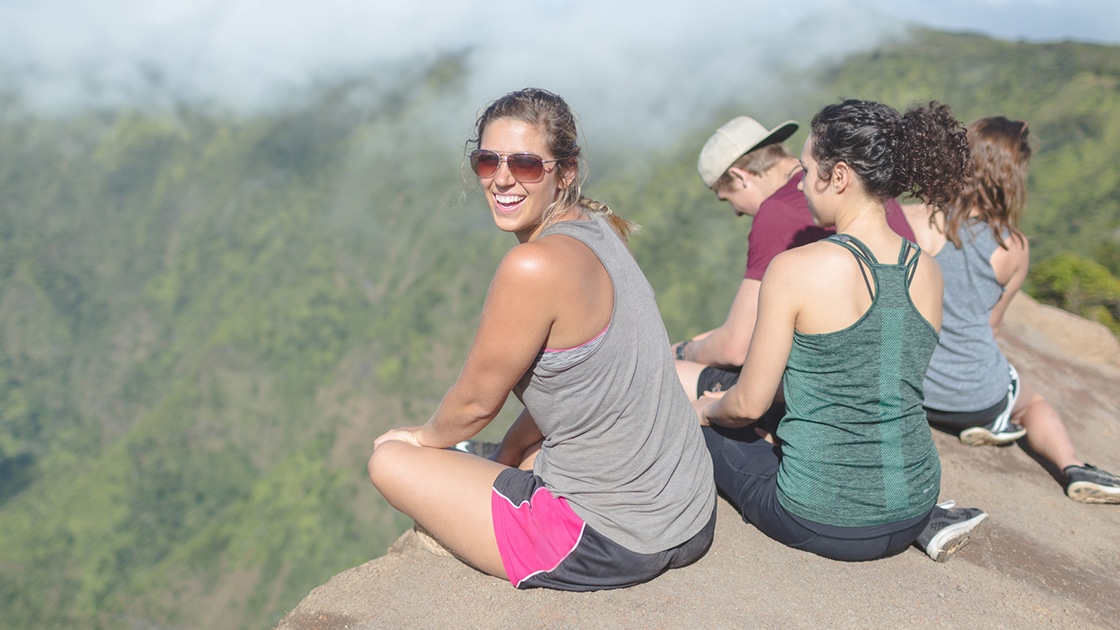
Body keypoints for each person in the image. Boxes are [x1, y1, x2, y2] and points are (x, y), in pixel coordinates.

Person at [367, 88, 717, 590]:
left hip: (611, 539)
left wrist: (420, 439)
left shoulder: (532, 265)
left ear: (565, 172)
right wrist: (505, 457)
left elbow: (472, 405)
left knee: (389, 460)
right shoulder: (599, 230)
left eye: (527, 164)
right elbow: (582, 394)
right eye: (488, 161)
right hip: (686, 512)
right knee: (505, 455)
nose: (503, 178)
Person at [693, 99, 986, 562]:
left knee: (699, 426)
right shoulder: (928, 270)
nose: (803, 185)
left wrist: (706, 411)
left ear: (841, 176)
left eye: (808, 171)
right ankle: (927, 526)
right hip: (916, 503)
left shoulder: (796, 268)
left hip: (823, 520)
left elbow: (748, 403)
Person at [905, 116, 1120, 503]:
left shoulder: (919, 218)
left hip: (915, 388)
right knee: (1034, 403)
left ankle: (993, 424)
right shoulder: (1013, 247)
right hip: (976, 395)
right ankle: (1072, 467)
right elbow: (992, 326)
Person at [672, 115, 917, 400]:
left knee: (673, 374)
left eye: (727, 199)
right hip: (896, 373)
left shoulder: (776, 212)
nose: (737, 213)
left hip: (835, 389)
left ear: (740, 176)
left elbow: (735, 347)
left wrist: (683, 350)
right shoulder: (866, 185)